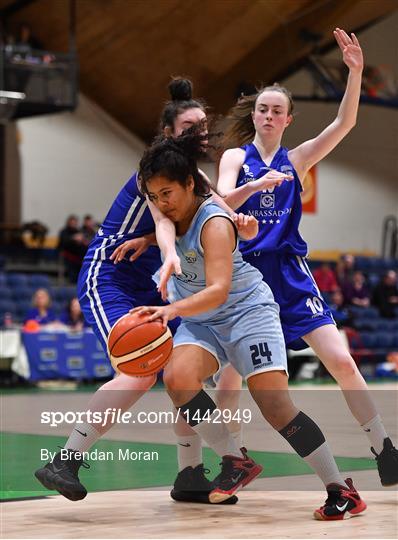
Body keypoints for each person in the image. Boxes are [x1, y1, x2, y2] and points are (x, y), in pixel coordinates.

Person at [35, 78, 254, 506]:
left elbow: (220, 208)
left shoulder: (194, 178)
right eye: (191, 126)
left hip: (154, 283)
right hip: (112, 275)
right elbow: (164, 224)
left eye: (204, 125)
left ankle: (190, 473)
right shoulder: (152, 173)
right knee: (138, 371)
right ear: (169, 134)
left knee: (185, 375)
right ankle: (66, 458)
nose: (202, 132)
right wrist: (170, 254)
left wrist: (246, 219)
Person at [133, 127, 366, 520]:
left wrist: (171, 311)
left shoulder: (215, 222)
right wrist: (147, 242)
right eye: (153, 197)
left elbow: (219, 290)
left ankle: (340, 488)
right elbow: (167, 235)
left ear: (190, 184)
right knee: (178, 378)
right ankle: (233, 458)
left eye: (167, 195)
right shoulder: (170, 214)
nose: (161, 204)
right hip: (202, 320)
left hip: (246, 312)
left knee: (275, 406)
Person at [216, 28, 398, 487]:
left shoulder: (296, 160)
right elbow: (219, 202)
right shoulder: (237, 158)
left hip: (290, 276)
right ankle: (234, 457)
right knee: (230, 379)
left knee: (343, 361)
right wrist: (255, 188)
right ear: (254, 115)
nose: (269, 115)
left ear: (288, 119)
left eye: (278, 110)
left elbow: (344, 124)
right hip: (245, 279)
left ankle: (384, 447)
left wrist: (354, 73)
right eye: (263, 109)